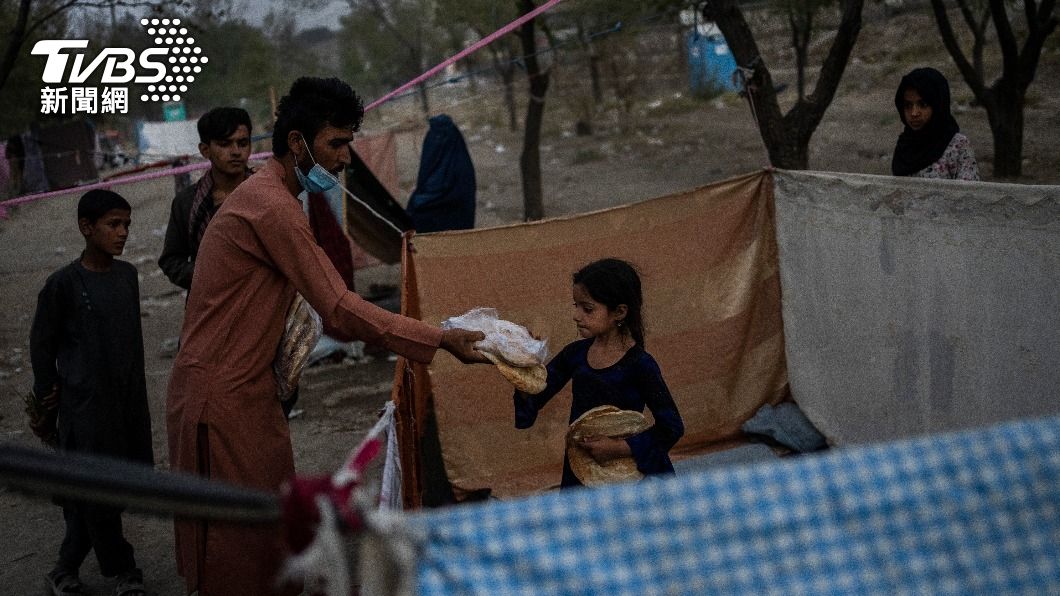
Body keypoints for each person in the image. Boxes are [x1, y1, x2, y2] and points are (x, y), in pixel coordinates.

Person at [164, 77, 488, 596]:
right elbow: (338, 309)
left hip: (246, 395)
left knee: (269, 538)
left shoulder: (273, 198)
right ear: (298, 144)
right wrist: (439, 340)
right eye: (336, 143)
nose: (344, 158)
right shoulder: (271, 207)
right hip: (221, 400)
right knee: (240, 555)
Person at [29, 189, 151, 596]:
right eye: (114, 225)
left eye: (127, 225)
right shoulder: (63, 284)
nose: (122, 234)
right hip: (85, 407)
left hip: (126, 403)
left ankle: (63, 570)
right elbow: (42, 343)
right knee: (97, 491)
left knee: (101, 490)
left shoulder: (127, 276)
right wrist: (47, 395)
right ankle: (124, 570)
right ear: (86, 228)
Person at [513, 258, 684, 488]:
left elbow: (671, 427)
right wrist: (524, 365)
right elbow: (535, 394)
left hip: (625, 473)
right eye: (576, 306)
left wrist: (619, 448)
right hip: (582, 468)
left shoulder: (640, 365)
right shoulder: (574, 355)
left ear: (620, 312)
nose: (576, 315)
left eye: (588, 309)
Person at [158, 107, 254, 291]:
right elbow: (171, 261)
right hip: (211, 305)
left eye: (242, 143)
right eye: (225, 144)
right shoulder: (187, 203)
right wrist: (213, 275)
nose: (236, 151)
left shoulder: (268, 194)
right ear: (205, 150)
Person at [891, 67, 980, 181]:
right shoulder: (905, 145)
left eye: (923, 104)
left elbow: (969, 195)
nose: (914, 113)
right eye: (908, 106)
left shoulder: (957, 146)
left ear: (938, 106)